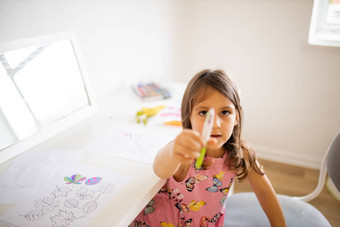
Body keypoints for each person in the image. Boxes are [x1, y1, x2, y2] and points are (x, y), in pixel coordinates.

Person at [131, 69, 286, 227]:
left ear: (236, 117)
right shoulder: (185, 152)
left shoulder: (240, 153)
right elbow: (160, 169)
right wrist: (174, 151)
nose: (215, 124)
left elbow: (265, 192)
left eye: (225, 112)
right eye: (203, 112)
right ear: (189, 116)